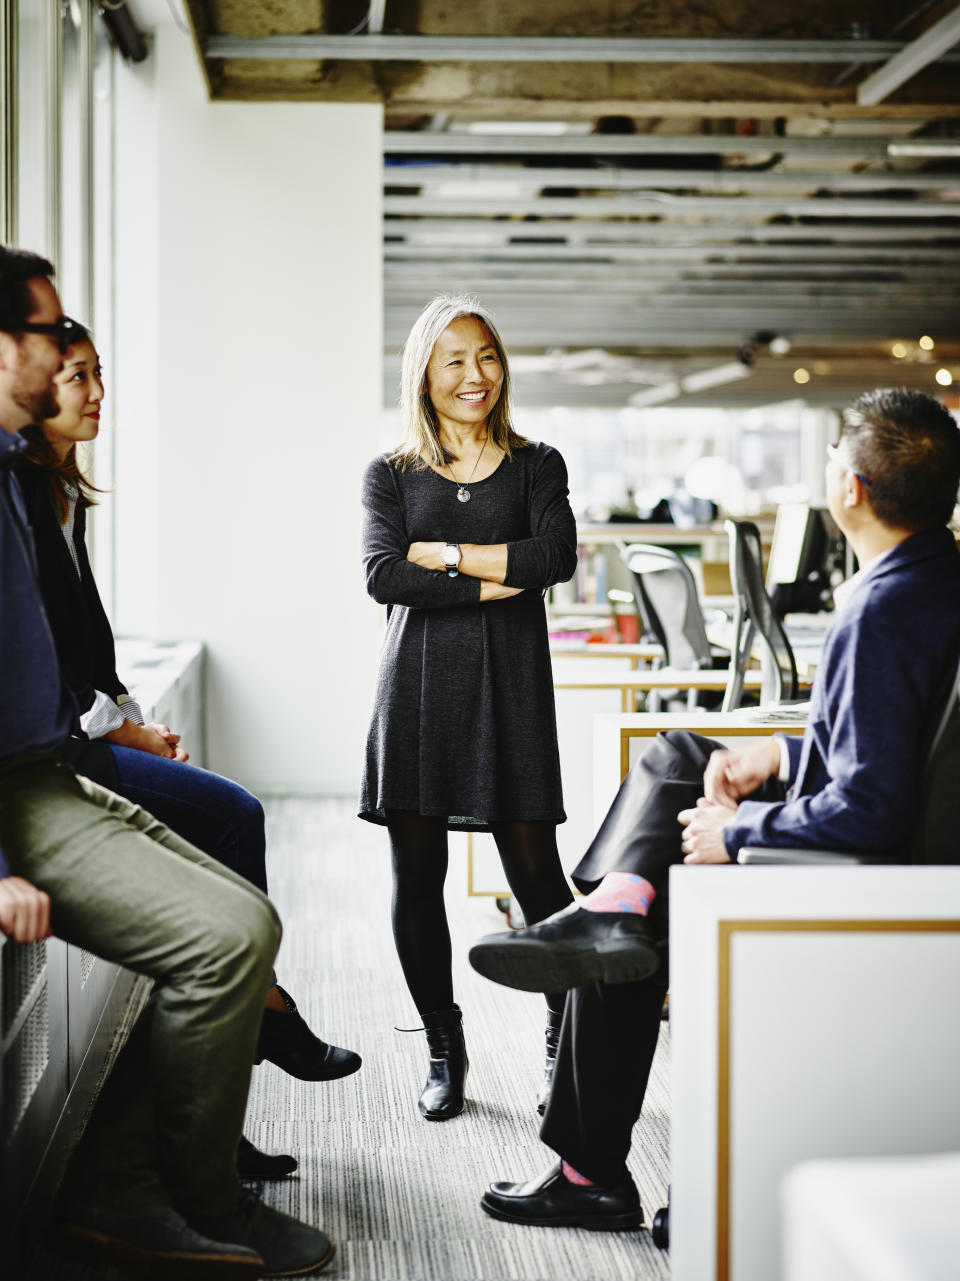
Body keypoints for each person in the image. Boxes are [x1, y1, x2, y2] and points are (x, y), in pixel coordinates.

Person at [469, 387, 960, 1228]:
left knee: (635, 903)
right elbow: (901, 748)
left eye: (835, 462)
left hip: (871, 864)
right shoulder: (934, 578)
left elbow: (875, 804)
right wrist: (783, 751)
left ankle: (590, 1160)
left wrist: (743, 827)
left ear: (853, 491)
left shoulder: (875, 610)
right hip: (891, 831)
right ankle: (612, 910)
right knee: (675, 757)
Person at [0, 243, 334, 1276]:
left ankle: (146, 1179)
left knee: (247, 919)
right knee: (229, 937)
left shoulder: (18, 476)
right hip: (19, 802)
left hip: (47, 772)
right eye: (55, 336)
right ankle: (189, 1200)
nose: (70, 360)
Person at [359, 294, 578, 1120]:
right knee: (417, 877)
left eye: (485, 355)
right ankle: (444, 1049)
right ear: (424, 372)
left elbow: (555, 555)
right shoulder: (391, 472)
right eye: (453, 359)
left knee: (538, 880)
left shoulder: (537, 464)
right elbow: (385, 576)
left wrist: (447, 557)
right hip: (415, 688)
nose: (474, 374)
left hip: (511, 689)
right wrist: (499, 577)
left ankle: (565, 1034)